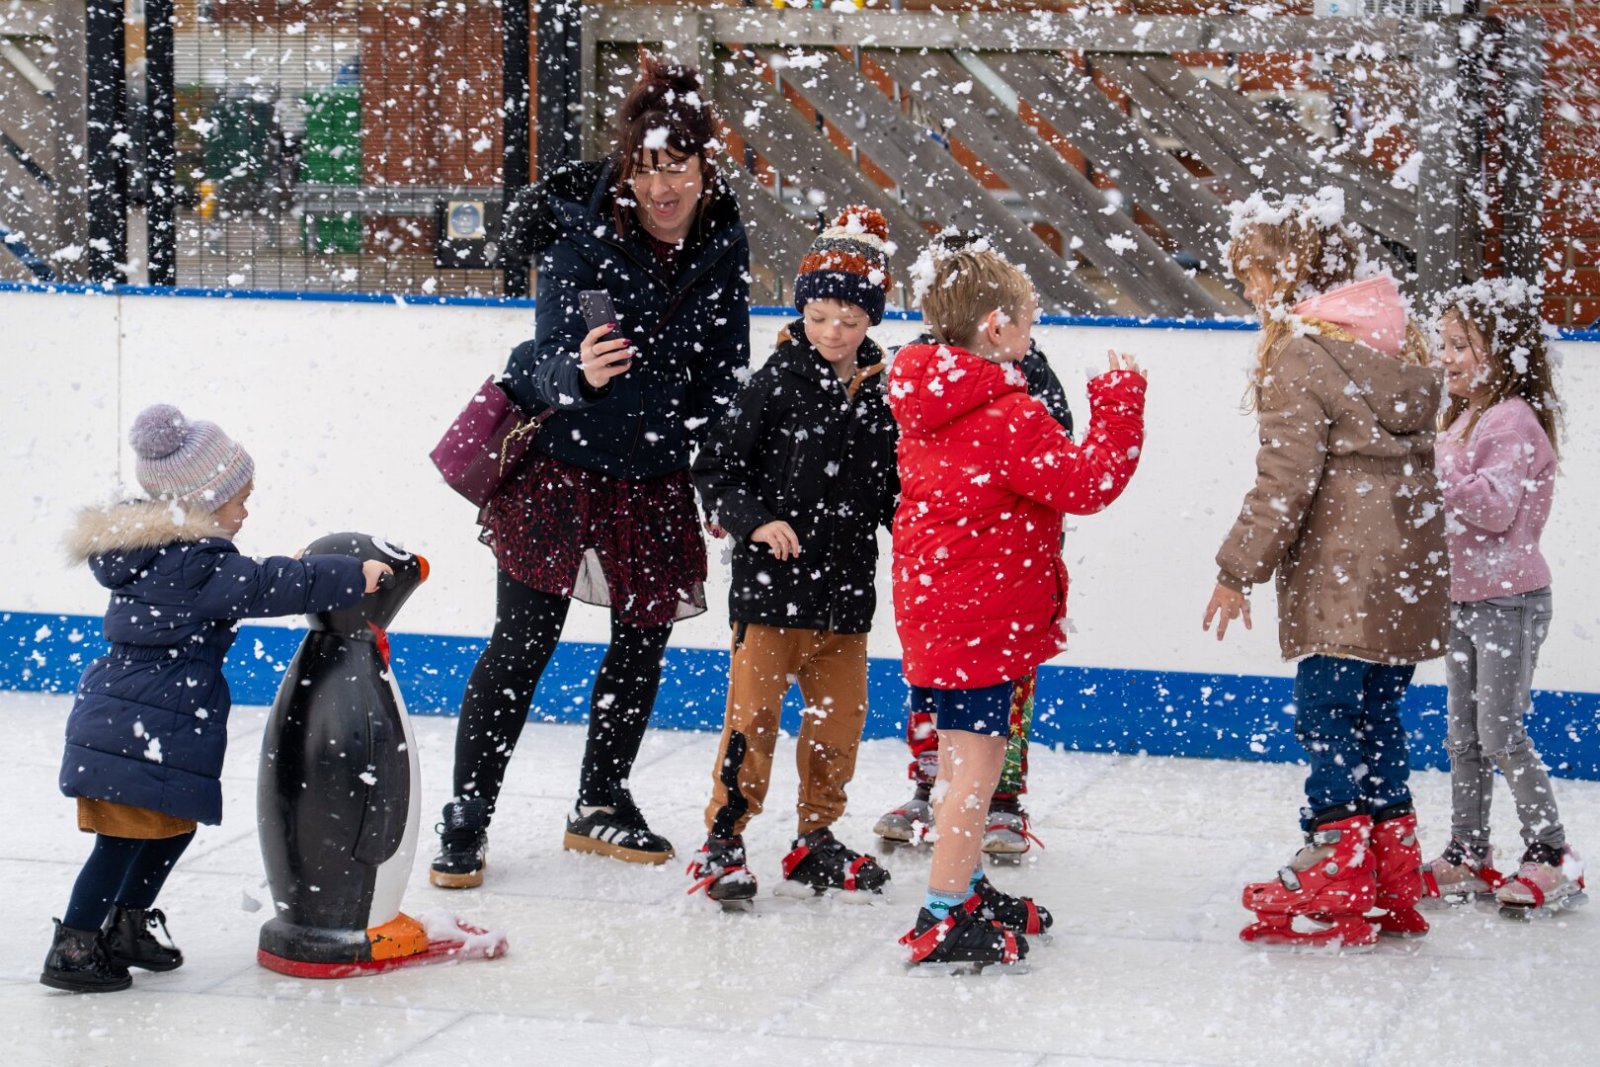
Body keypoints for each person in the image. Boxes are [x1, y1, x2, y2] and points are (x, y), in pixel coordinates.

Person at [431, 57, 750, 886]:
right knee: (523, 644)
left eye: (677, 166)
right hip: (564, 466)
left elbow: (726, 369)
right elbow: (537, 364)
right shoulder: (581, 230)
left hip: (651, 472)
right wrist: (579, 373)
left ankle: (600, 799)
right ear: (626, 167)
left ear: (705, 164)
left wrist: (713, 467)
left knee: (640, 644)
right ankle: (467, 811)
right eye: (646, 169)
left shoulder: (723, 237)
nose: (662, 187)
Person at [42, 404, 388, 993]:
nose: (245, 511)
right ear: (202, 504)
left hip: (149, 717)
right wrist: (353, 575)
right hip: (140, 724)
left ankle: (127, 926)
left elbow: (256, 579)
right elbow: (266, 585)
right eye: (238, 501)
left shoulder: (169, 557)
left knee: (173, 827)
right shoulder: (193, 564)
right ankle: (74, 946)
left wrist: (300, 571)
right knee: (122, 839)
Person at [890, 248, 1146, 970]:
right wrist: (1120, 400)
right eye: (1028, 323)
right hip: (980, 616)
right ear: (997, 327)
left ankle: (967, 887)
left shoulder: (928, 399)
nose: (1033, 337)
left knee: (961, 760)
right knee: (979, 765)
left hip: (940, 608)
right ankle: (942, 913)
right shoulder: (1006, 414)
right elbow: (1090, 482)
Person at [1206, 189, 1448, 950]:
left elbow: (1286, 479)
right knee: (1376, 716)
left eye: (1254, 275)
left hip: (1345, 574)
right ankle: (1390, 857)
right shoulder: (1391, 349)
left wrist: (1236, 568)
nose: (1248, 292)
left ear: (1292, 272)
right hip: (1404, 572)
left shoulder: (1303, 354)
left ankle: (1335, 853)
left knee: (1325, 714)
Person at [686, 207, 899, 903]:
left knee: (839, 725)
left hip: (845, 599)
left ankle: (816, 837)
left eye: (850, 319)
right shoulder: (772, 383)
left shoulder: (883, 398)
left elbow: (896, 489)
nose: (834, 332)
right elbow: (715, 468)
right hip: (773, 595)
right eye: (821, 315)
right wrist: (755, 521)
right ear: (801, 310)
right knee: (751, 723)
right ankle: (725, 836)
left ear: (870, 320)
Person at [872, 229, 1075, 860]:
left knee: (1003, 692)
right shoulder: (915, 371)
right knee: (934, 687)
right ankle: (931, 784)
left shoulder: (1026, 372)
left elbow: (1057, 463)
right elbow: (896, 460)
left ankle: (1001, 801)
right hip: (943, 566)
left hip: (1002, 568)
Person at [1422, 278, 1586, 915]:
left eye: (1461, 344)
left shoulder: (1512, 419)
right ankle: (1468, 851)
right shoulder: (1466, 416)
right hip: (1464, 600)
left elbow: (1493, 510)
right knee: (1462, 739)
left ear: (1504, 347)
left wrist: (1441, 464)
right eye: (1444, 343)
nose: (1447, 356)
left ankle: (1553, 853)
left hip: (1509, 600)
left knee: (1500, 735)